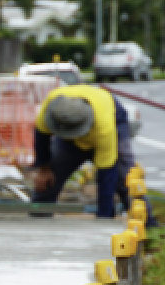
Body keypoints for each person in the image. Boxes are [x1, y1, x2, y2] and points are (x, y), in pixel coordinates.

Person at [32, 85, 157, 225]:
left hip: (113, 119)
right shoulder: (52, 108)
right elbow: (41, 137)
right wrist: (43, 169)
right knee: (49, 179)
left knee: (125, 178)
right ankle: (37, 220)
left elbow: (107, 175)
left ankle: (147, 225)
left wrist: (103, 220)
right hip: (68, 127)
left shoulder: (104, 128)